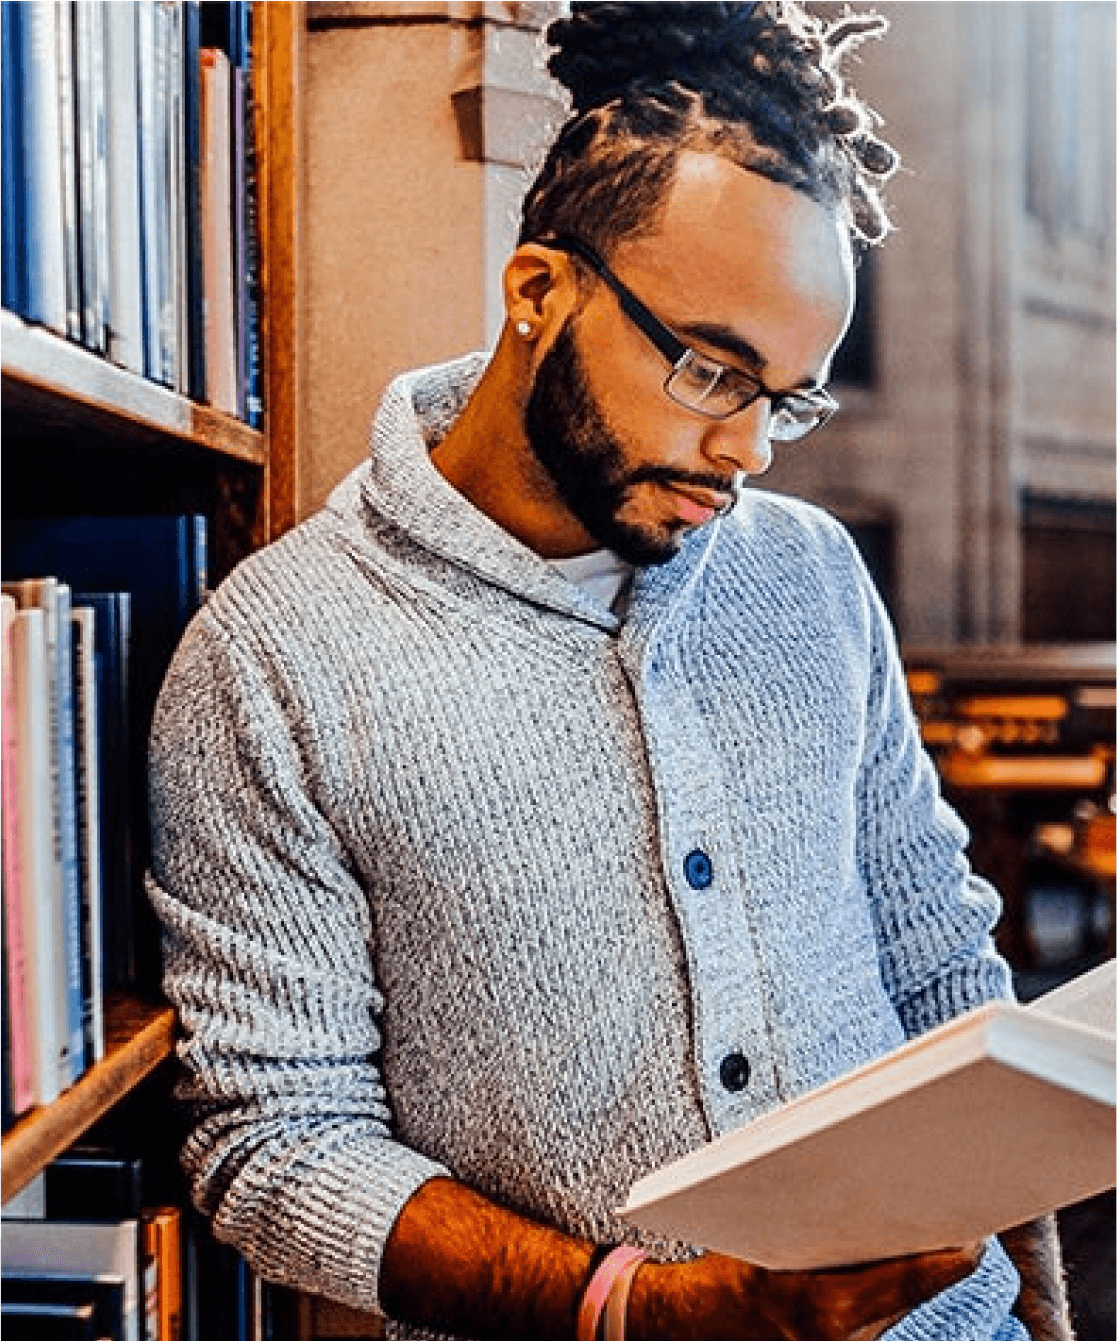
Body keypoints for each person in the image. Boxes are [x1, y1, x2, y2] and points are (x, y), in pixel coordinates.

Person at [147, 5, 1075, 1339]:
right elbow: (276, 1147)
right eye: (711, 370)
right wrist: (641, 1314)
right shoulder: (272, 659)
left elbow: (936, 953)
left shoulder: (809, 575)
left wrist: (1032, 1295)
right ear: (537, 291)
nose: (749, 450)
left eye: (789, 398)